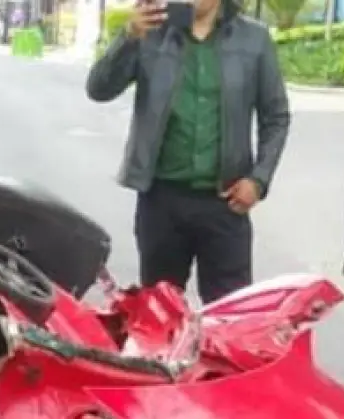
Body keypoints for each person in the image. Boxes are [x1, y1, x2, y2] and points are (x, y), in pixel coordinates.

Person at [85, 0, 291, 304]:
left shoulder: (254, 40)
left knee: (228, 321)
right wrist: (128, 36)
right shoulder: (152, 35)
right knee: (160, 318)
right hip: (162, 202)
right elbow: (98, 89)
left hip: (225, 204)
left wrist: (258, 180)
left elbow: (276, 116)